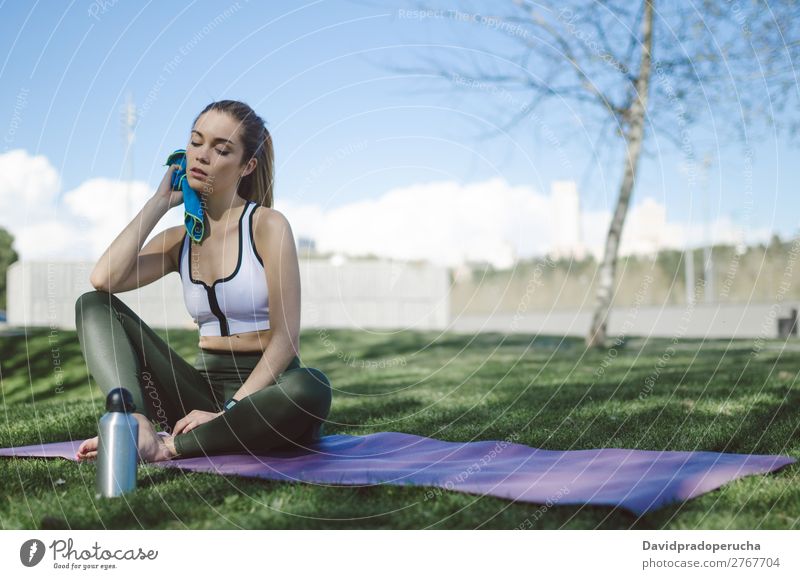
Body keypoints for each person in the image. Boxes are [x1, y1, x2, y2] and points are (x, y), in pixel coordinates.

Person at [75, 100, 332, 463]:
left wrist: (230, 409)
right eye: (196, 142)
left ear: (247, 165)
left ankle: (171, 446)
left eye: (221, 148)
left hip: (265, 396)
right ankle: (134, 422)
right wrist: (160, 201)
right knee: (92, 304)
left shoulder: (267, 226)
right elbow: (103, 279)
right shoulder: (178, 240)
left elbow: (286, 339)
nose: (202, 155)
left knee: (312, 386)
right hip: (197, 395)